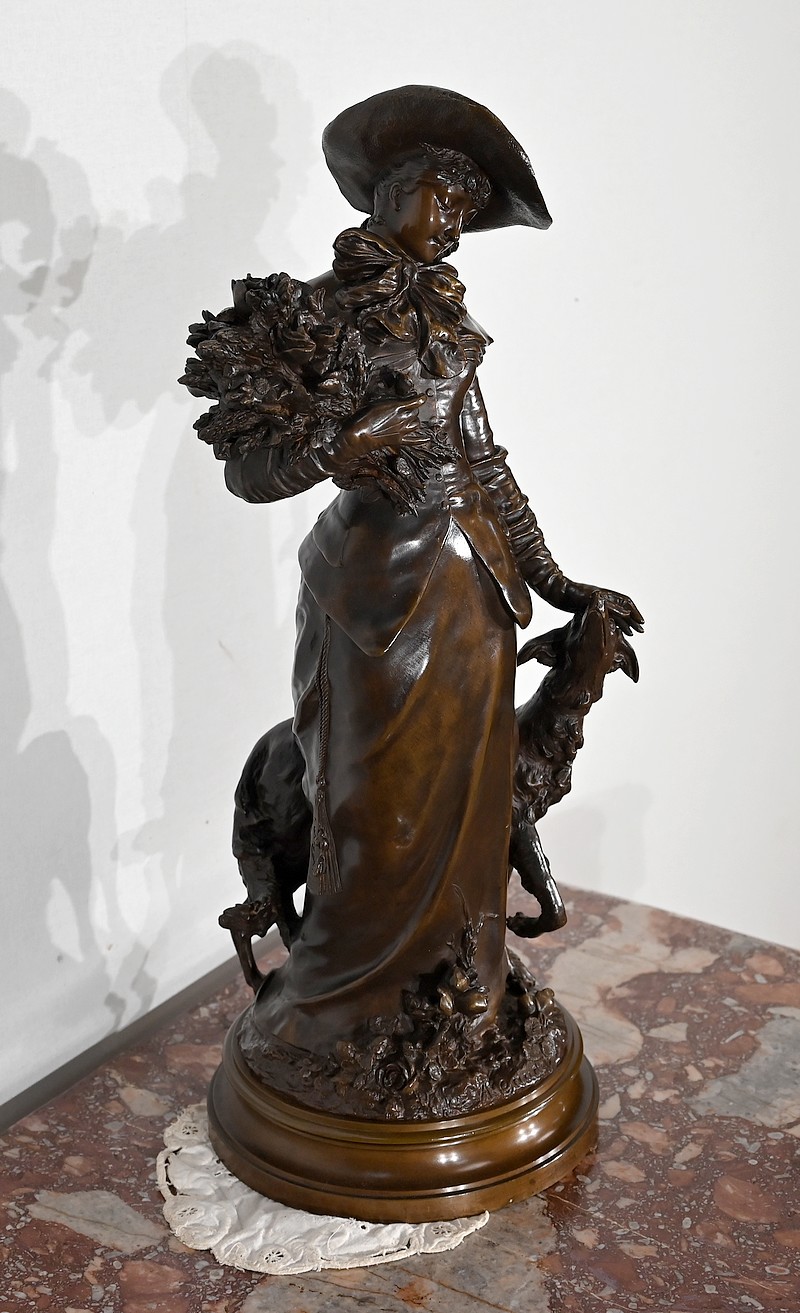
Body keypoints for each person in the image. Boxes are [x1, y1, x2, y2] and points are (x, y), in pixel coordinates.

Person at [221, 87, 641, 1113]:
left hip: (472, 589)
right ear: (386, 190)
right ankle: (338, 1006)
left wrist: (556, 582)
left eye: (465, 205)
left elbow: (486, 463)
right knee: (371, 802)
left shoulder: (447, 320)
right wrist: (344, 446)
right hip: (371, 599)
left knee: (469, 802)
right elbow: (249, 470)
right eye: (439, 195)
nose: (451, 219)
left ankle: (459, 999)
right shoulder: (311, 315)